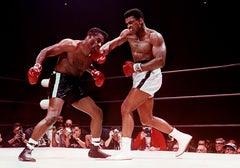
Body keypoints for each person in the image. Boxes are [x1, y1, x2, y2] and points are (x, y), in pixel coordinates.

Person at [100, 8, 192, 159]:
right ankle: (181, 136)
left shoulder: (154, 37)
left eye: (131, 22)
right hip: (139, 76)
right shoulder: (128, 33)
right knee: (147, 119)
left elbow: (160, 61)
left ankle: (125, 151)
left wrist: (136, 67)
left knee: (126, 108)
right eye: (127, 23)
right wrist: (105, 49)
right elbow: (114, 42)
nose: (129, 26)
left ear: (140, 21)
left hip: (150, 74)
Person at [18, 27, 110, 162]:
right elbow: (46, 51)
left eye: (101, 43)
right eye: (98, 40)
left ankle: (94, 149)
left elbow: (82, 65)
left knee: (97, 112)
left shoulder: (92, 55)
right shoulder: (70, 45)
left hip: (75, 84)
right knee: (52, 117)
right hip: (60, 80)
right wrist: (37, 66)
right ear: (89, 35)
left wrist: (93, 72)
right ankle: (27, 150)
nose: (99, 45)